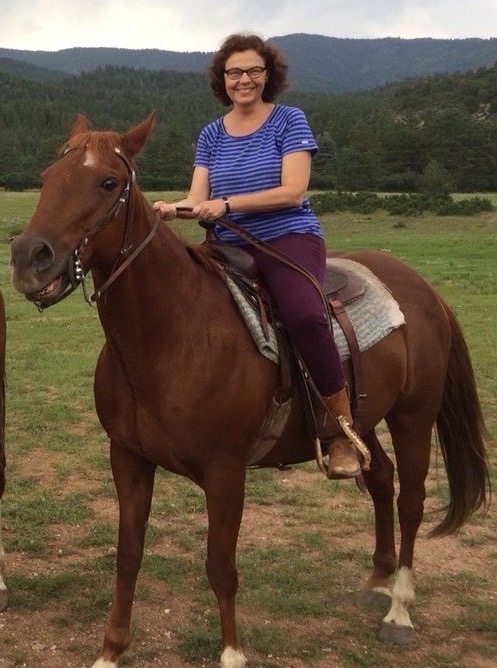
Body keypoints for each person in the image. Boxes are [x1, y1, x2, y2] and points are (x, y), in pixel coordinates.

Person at [153, 33, 365, 479]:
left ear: (269, 76)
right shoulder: (211, 133)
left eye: (253, 70)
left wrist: (229, 205)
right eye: (234, 72)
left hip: (286, 238)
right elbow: (198, 197)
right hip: (226, 245)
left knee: (305, 316)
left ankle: (340, 430)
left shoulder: (289, 120)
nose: (244, 79)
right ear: (222, 79)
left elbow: (293, 191)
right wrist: (174, 209)